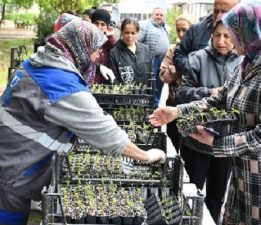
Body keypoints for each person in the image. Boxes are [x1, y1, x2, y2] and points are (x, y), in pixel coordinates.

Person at [0, 19, 166, 225]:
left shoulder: (37, 62)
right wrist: (146, 156)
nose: (97, 56)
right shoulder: (60, 84)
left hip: (10, 154)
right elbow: (106, 134)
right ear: (78, 46)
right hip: (12, 169)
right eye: (94, 50)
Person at [149, 1, 261, 224]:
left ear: (250, 32)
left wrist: (217, 143)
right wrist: (178, 112)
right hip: (240, 175)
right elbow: (219, 99)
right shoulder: (246, 65)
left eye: (234, 33)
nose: (228, 38)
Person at [176, 17, 242, 223]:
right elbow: (182, 92)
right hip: (195, 140)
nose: (222, 41)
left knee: (217, 197)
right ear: (211, 36)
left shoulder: (243, 61)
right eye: (217, 35)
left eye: (227, 36)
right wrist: (209, 92)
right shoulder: (197, 58)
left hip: (225, 142)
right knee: (188, 194)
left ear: (236, 38)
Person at [159, 14, 195, 152]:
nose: (181, 34)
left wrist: (179, 68)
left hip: (192, 105)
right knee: (173, 138)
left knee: (189, 145)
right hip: (173, 101)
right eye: (178, 30)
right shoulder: (174, 50)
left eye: (184, 30)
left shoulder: (199, 50)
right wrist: (174, 72)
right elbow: (164, 76)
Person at [173, 0, 238, 74]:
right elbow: (179, 55)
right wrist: (195, 69)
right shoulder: (196, 30)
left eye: (224, 12)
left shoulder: (244, 34)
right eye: (216, 11)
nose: (219, 15)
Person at [138, 7, 170, 106]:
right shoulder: (145, 25)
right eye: (157, 14)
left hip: (162, 60)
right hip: (151, 60)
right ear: (152, 15)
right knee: (150, 83)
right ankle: (147, 104)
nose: (159, 17)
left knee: (160, 83)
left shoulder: (165, 27)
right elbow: (138, 42)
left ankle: (156, 103)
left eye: (161, 15)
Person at [108, 18, 151, 85]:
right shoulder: (114, 53)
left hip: (143, 93)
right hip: (124, 93)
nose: (129, 36)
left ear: (137, 33)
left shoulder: (145, 49)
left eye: (133, 33)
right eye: (127, 32)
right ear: (122, 32)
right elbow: (114, 78)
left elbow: (150, 74)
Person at [91, 8, 116, 84]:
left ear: (107, 26)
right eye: (96, 23)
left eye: (102, 24)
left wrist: (110, 36)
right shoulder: (86, 39)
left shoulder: (107, 40)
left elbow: (115, 49)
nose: (99, 27)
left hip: (104, 82)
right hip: (88, 83)